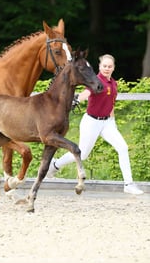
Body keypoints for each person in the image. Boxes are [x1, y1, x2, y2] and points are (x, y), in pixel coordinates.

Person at [46, 53, 143, 195]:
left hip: (107, 123)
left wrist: (113, 122)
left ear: (113, 68)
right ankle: (54, 165)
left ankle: (128, 184)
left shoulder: (113, 83)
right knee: (83, 154)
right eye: (104, 66)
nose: (107, 68)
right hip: (91, 122)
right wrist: (78, 99)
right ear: (99, 66)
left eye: (110, 66)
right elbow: (87, 93)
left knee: (122, 147)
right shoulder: (96, 81)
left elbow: (111, 104)